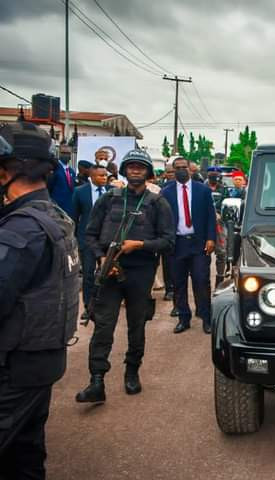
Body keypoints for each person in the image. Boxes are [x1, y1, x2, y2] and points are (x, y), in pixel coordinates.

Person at [0, 121, 80, 479]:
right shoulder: (54, 217)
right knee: (25, 455)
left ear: (5, 173)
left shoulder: (21, 229)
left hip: (15, 368)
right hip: (39, 362)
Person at [76, 149, 174, 403]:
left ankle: (132, 372)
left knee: (136, 325)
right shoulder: (109, 199)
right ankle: (96, 380)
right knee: (103, 326)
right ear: (124, 170)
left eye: (140, 167)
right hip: (110, 269)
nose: (135, 170)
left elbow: (168, 241)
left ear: (148, 173)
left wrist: (139, 245)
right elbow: (89, 234)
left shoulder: (158, 203)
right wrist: (100, 257)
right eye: (131, 166)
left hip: (140, 272)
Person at [161, 157, 216, 334]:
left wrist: (211, 238)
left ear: (191, 169)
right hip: (177, 244)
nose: (181, 170)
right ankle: (183, 318)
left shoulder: (203, 190)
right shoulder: (166, 192)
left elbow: (210, 216)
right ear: (173, 170)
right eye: (177, 168)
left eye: (184, 167)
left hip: (199, 244)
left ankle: (206, 317)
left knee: (201, 280)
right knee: (179, 283)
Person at [72, 164, 109, 321]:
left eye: (105, 175)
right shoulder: (80, 192)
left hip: (107, 240)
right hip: (87, 240)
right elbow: (73, 216)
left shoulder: (112, 192)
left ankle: (103, 304)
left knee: (106, 274)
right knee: (88, 275)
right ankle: (88, 306)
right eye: (101, 176)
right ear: (92, 177)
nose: (104, 178)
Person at [206, 168, 227, 289]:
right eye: (212, 177)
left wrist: (219, 213)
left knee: (222, 252)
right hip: (205, 222)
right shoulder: (202, 188)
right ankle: (203, 279)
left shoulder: (224, 189)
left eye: (217, 177)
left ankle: (219, 281)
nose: (214, 180)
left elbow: (226, 204)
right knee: (204, 253)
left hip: (219, 222)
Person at [47, 142, 76, 216]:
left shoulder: (71, 171)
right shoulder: (54, 168)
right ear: (59, 153)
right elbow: (49, 187)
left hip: (69, 208)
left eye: (68, 153)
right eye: (63, 153)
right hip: (56, 207)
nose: (66, 155)